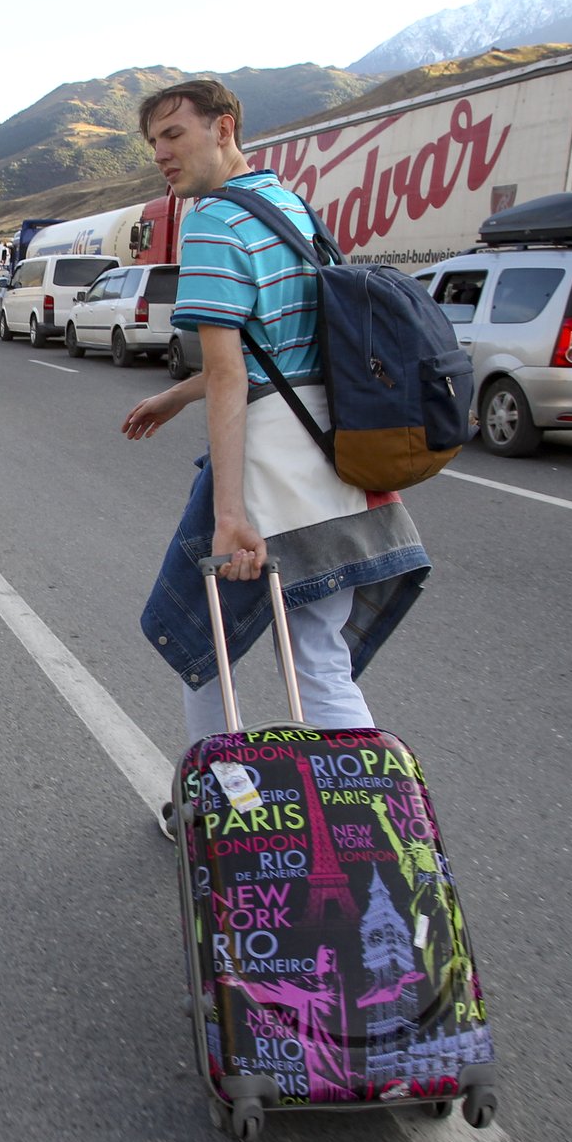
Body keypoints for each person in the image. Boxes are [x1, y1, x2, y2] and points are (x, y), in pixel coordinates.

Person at [123, 79, 430, 752]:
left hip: (268, 467)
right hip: (332, 459)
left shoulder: (212, 220)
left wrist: (230, 513)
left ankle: (216, 798)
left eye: (174, 134)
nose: (162, 154)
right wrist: (176, 395)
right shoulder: (290, 208)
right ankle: (373, 822)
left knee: (199, 640)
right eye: (153, 143)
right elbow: (286, 348)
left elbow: (235, 371)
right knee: (319, 658)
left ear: (223, 127)